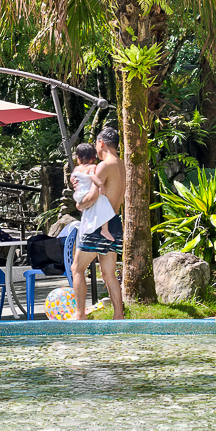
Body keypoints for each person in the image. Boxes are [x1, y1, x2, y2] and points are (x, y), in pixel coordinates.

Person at [70, 128, 125, 320]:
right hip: (114, 223)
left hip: (97, 225)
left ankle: (80, 316)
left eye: (96, 145)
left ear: (101, 143)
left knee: (77, 268)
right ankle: (119, 316)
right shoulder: (121, 165)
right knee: (108, 273)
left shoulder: (104, 165)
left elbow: (92, 197)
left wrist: (79, 203)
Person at [71, 143, 114, 242]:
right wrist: (101, 185)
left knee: (87, 210)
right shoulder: (92, 167)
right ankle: (104, 229)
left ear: (78, 157)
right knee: (103, 200)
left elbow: (72, 179)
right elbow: (92, 176)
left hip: (78, 195)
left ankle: (88, 226)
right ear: (92, 157)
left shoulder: (76, 169)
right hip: (85, 193)